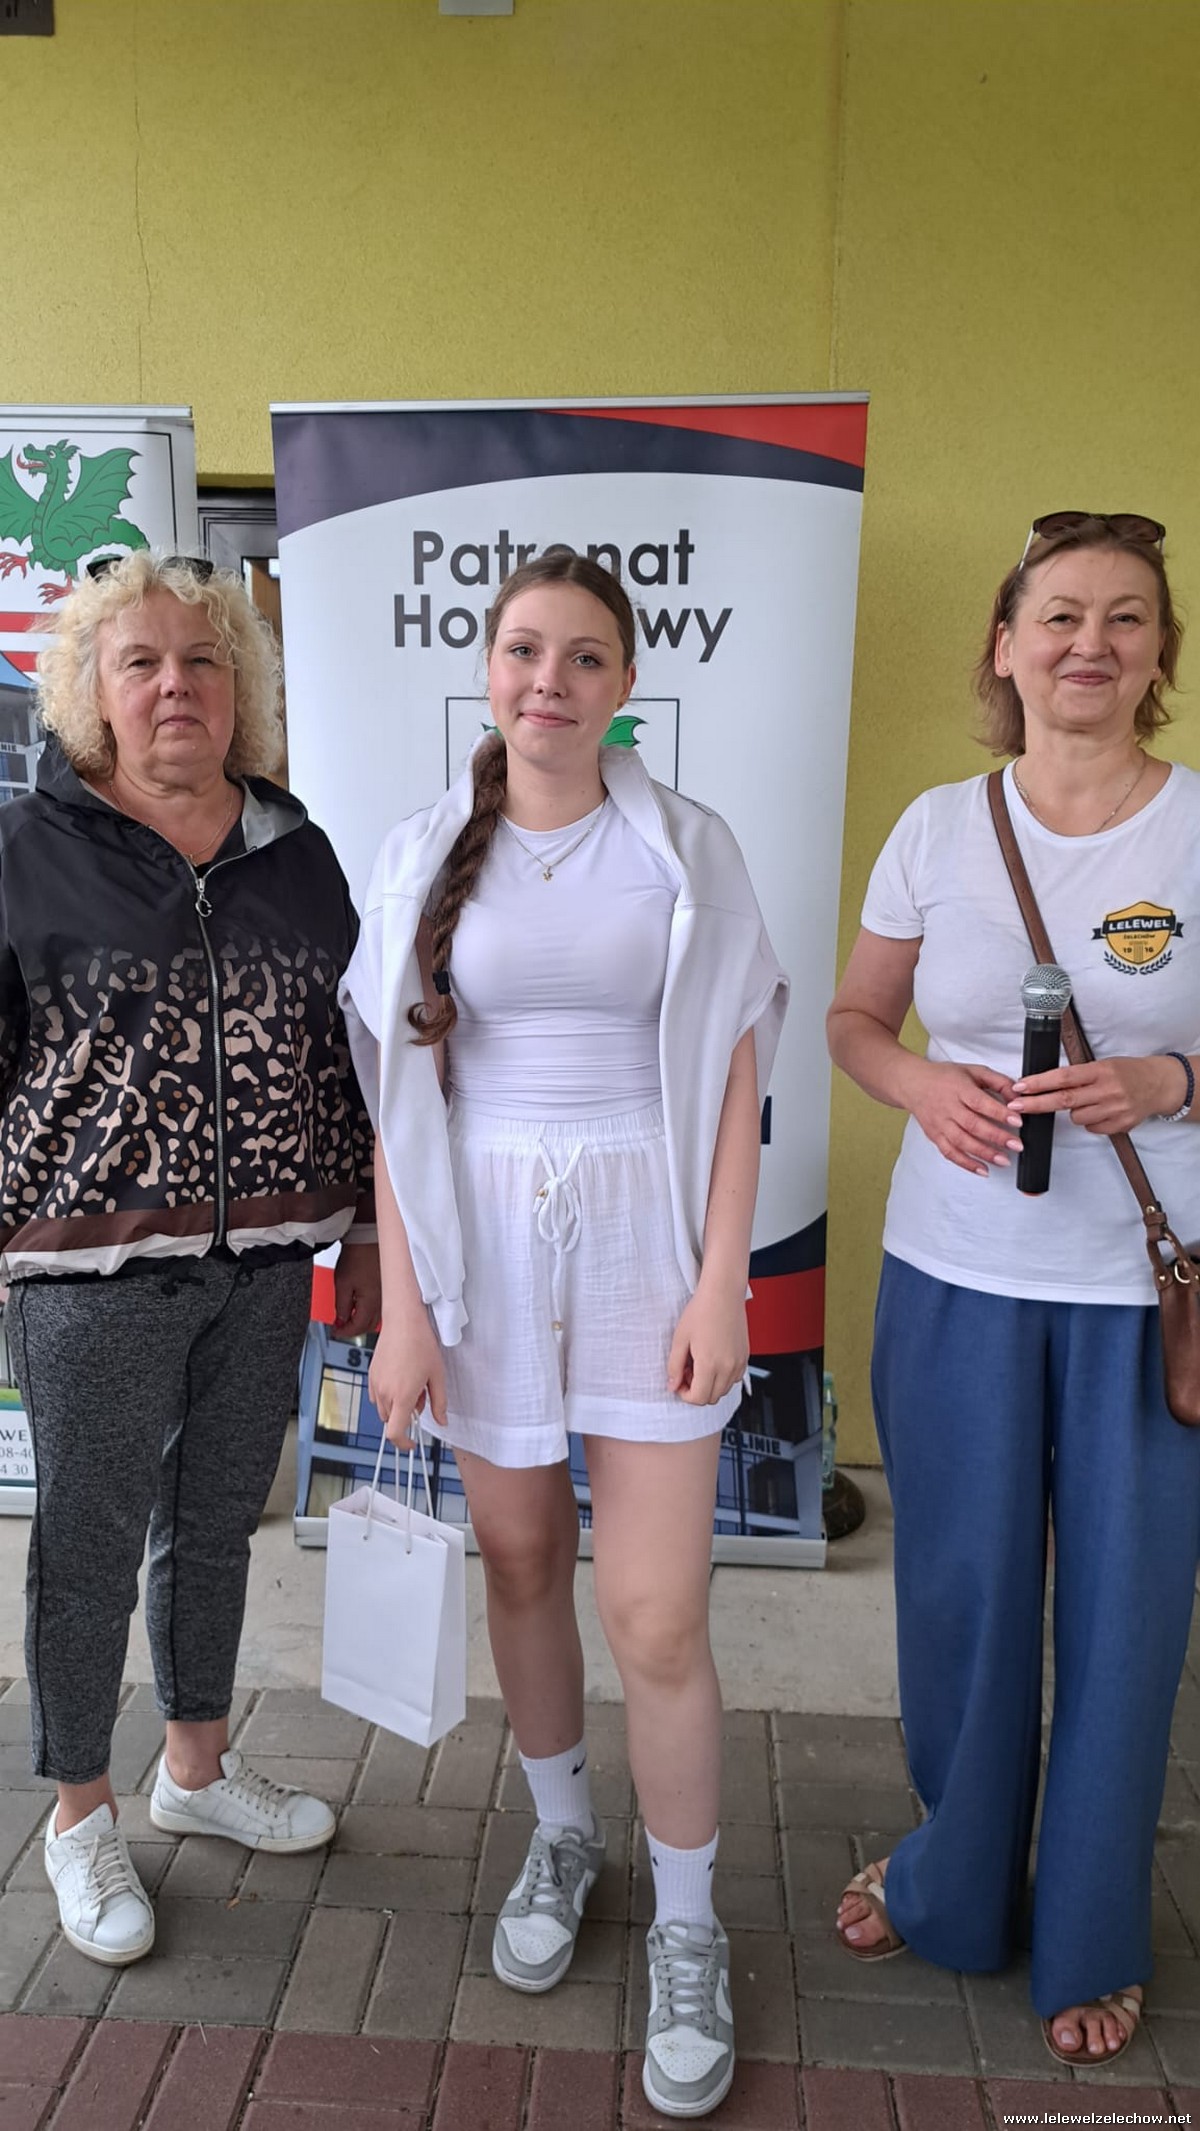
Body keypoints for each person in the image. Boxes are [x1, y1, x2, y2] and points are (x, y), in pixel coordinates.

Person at [341, 549, 786, 2120]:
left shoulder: (687, 847)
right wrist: (405, 1313)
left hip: (646, 1249)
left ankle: (689, 1926)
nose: (551, 680)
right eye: (525, 650)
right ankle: (563, 1834)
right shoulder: (419, 855)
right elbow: (401, 1108)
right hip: (478, 1253)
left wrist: (721, 1282)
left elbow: (736, 1076)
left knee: (657, 1617)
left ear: (624, 684)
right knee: (522, 1562)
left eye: (585, 656)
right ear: (488, 669)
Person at [826, 512, 1200, 2065]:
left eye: (1124, 617)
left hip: (1142, 1296)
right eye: (1058, 614)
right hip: (956, 1277)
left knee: (1128, 1618)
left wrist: (1168, 1080)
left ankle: (1094, 1931)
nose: (1087, 643)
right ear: (1006, 644)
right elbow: (856, 1020)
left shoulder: (1196, 829)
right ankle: (955, 1881)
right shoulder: (937, 828)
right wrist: (923, 1085)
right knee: (965, 1599)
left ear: (1159, 651)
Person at [3, 551, 379, 1966]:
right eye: (142, 662)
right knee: (88, 1548)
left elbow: (351, 1059)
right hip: (87, 1271)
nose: (176, 685)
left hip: (268, 1261)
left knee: (215, 1523)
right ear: (92, 694)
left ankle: (197, 1769)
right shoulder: (25, 853)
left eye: (203, 661)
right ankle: (78, 1814)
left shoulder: (299, 851)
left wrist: (364, 1235)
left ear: (241, 690)